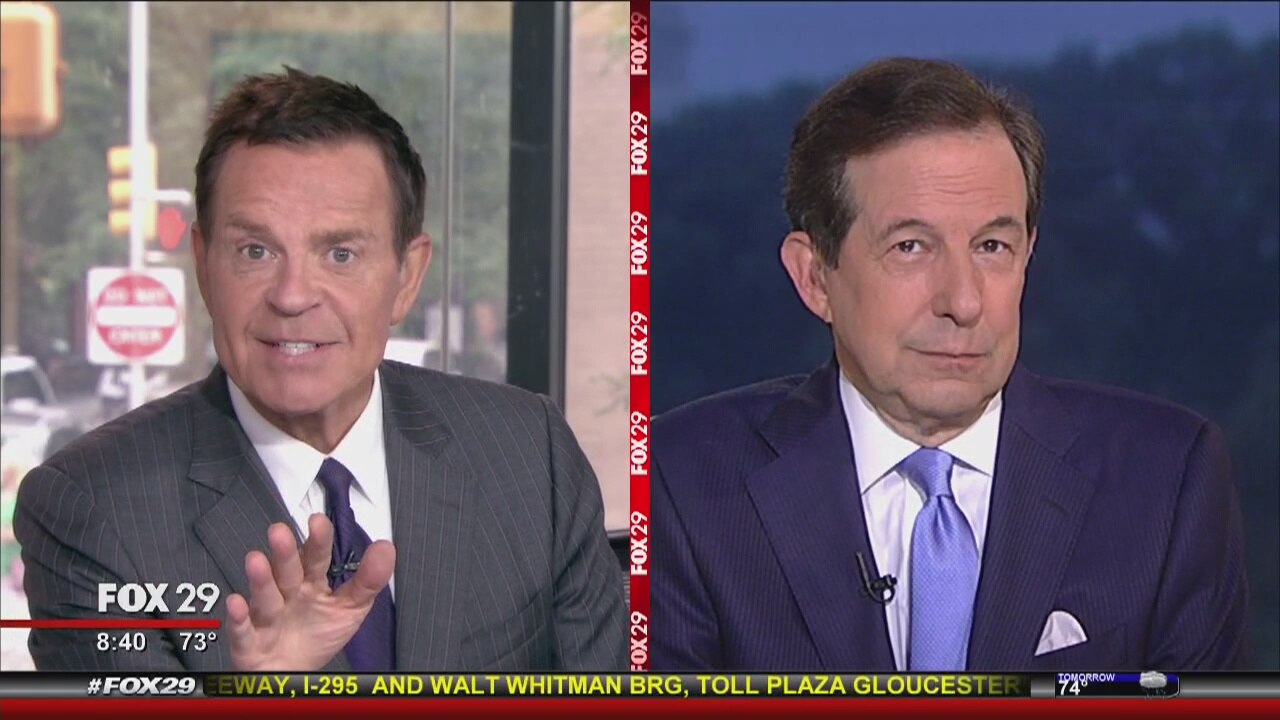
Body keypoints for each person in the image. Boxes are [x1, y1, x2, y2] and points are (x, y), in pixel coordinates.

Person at [16, 67, 626, 672]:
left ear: (407, 276)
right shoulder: (91, 510)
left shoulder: (528, 454)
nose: (292, 296)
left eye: (340, 253)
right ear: (203, 264)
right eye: (255, 251)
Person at [650, 57, 1249, 672]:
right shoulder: (685, 484)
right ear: (815, 278)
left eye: (992, 246)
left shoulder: (1167, 480)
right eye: (911, 247)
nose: (963, 302)